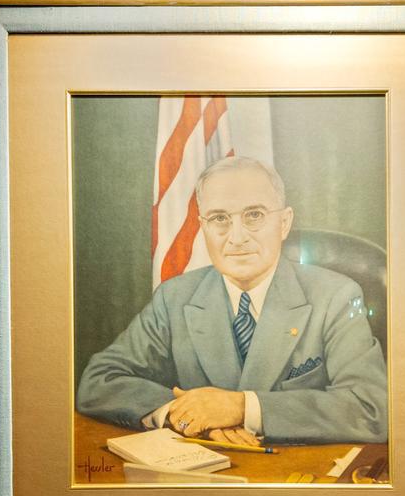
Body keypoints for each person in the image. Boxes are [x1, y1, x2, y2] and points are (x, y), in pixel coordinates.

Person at [77, 155, 388, 446]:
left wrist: (242, 407)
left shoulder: (335, 297)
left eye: (254, 215)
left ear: (284, 223)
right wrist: (184, 413)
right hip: (200, 475)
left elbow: (370, 408)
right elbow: (99, 380)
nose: (236, 237)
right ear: (202, 227)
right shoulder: (175, 297)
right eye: (220, 218)